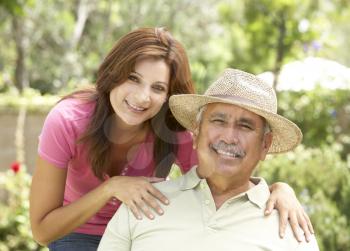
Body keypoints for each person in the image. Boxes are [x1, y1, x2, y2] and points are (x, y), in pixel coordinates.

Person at [30, 27, 312, 251]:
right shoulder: (68, 121)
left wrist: (278, 188)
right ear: (113, 73)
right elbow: (42, 230)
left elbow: (219, 177)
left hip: (144, 221)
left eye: (158, 87)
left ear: (168, 95)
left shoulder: (174, 130)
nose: (142, 97)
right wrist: (112, 188)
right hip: (78, 233)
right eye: (133, 78)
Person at [98, 68, 320, 251]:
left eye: (245, 126)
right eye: (218, 121)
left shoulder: (292, 227)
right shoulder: (142, 203)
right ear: (195, 134)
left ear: (265, 145)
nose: (229, 137)